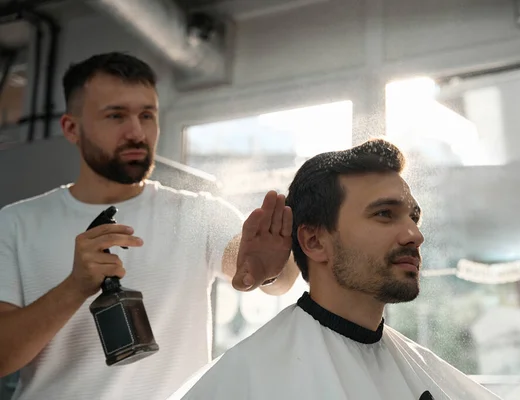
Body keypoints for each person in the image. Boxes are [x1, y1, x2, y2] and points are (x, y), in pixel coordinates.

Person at [0, 52, 299, 400]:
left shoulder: (197, 213)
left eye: (147, 115)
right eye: (116, 116)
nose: (137, 132)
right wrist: (74, 287)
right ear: (71, 128)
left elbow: (271, 277)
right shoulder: (15, 224)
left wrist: (269, 269)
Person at [168, 138, 501, 400]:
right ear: (314, 241)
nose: (415, 234)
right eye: (385, 214)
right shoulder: (248, 376)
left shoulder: (421, 367)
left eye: (413, 217)